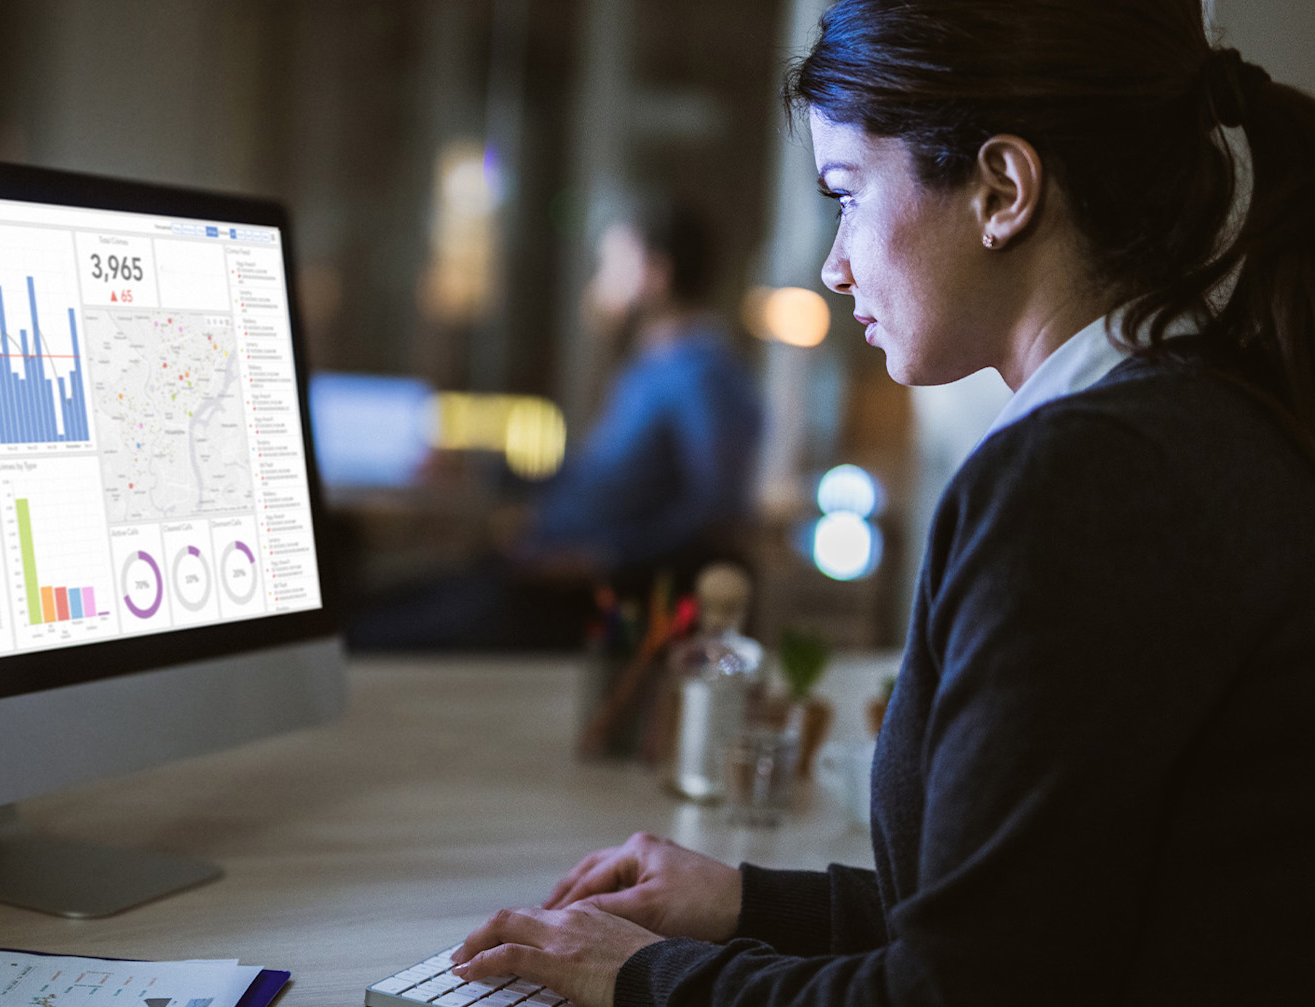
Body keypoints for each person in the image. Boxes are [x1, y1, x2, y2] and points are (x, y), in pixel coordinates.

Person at [447, 1, 1315, 1003]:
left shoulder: (1084, 478)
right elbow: (1034, 924)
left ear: (1000, 189)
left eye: (846, 194)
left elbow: (952, 994)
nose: (832, 262)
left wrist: (642, 975)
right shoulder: (1194, 415)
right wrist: (742, 901)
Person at [347, 202, 762, 649]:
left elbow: (718, 519)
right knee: (362, 601)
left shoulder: (703, 376)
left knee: (367, 632)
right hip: (532, 567)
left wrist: (601, 559)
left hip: (575, 595)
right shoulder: (648, 370)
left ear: (654, 274)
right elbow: (597, 479)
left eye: (610, 264)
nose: (597, 282)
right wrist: (482, 468)